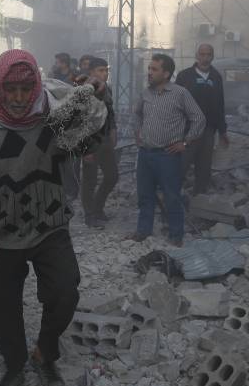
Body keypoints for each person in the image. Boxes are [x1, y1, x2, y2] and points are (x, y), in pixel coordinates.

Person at [0, 49, 107, 386]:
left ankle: (45, 352)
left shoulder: (53, 115)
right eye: (12, 89)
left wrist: (98, 94)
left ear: (37, 84)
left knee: (66, 291)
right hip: (0, 234)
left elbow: (93, 138)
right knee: (4, 305)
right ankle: (13, 363)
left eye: (27, 88)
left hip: (49, 226)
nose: (20, 98)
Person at [129, 54, 205, 246]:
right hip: (145, 154)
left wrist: (185, 143)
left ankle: (176, 235)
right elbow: (136, 114)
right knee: (145, 196)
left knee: (172, 196)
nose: (149, 72)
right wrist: (137, 133)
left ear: (166, 73)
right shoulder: (146, 93)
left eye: (154, 69)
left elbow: (199, 119)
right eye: (149, 68)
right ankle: (143, 231)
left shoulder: (180, 93)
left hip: (168, 156)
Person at [175, 44, 229, 195]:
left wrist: (223, 130)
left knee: (204, 168)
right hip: (187, 130)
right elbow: (175, 103)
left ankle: (199, 203)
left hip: (208, 131)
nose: (205, 58)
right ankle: (171, 203)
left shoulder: (216, 77)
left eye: (209, 55)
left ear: (213, 56)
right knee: (181, 166)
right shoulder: (184, 76)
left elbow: (220, 104)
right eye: (202, 54)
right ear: (196, 56)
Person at [81, 57, 119, 227]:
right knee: (90, 180)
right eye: (100, 70)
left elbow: (110, 113)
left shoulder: (107, 89)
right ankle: (89, 215)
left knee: (112, 176)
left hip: (104, 140)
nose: (105, 73)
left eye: (106, 70)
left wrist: (113, 131)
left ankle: (98, 208)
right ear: (91, 72)